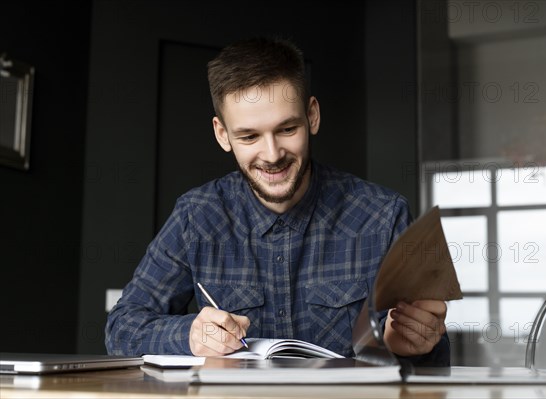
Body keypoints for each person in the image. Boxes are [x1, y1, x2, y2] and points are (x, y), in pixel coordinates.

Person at [105, 37, 449, 366]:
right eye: (249, 136)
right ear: (222, 134)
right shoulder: (196, 216)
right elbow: (121, 328)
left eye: (287, 130)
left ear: (312, 116)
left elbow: (434, 356)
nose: (272, 155)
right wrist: (189, 334)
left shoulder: (383, 215)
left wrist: (411, 347)